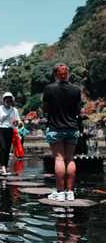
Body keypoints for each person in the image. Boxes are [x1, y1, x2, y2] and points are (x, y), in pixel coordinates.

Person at [43, 63, 82, 202]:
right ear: (68, 74)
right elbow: (78, 111)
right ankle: (70, 192)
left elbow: (45, 109)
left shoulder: (49, 89)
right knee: (70, 159)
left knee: (59, 159)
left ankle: (60, 193)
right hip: (72, 128)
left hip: (55, 127)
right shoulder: (76, 90)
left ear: (55, 74)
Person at [0, 92, 20, 175]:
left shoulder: (14, 110)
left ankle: (5, 166)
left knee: (7, 149)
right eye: (6, 99)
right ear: (4, 100)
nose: (8, 101)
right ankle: (3, 167)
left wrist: (17, 127)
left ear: (12, 100)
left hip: (10, 130)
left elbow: (17, 122)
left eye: (10, 99)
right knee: (3, 148)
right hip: (1, 130)